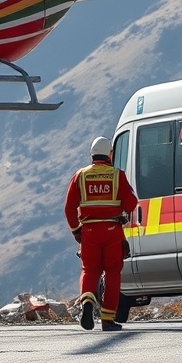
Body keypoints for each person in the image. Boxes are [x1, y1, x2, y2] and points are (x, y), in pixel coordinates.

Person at [64, 136, 138, 332]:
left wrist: (76, 231)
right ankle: (107, 319)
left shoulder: (80, 175)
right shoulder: (117, 175)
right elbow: (131, 203)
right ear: (110, 154)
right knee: (113, 273)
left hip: (89, 232)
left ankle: (87, 301)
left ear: (91, 155)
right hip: (113, 232)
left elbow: (69, 207)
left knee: (90, 270)